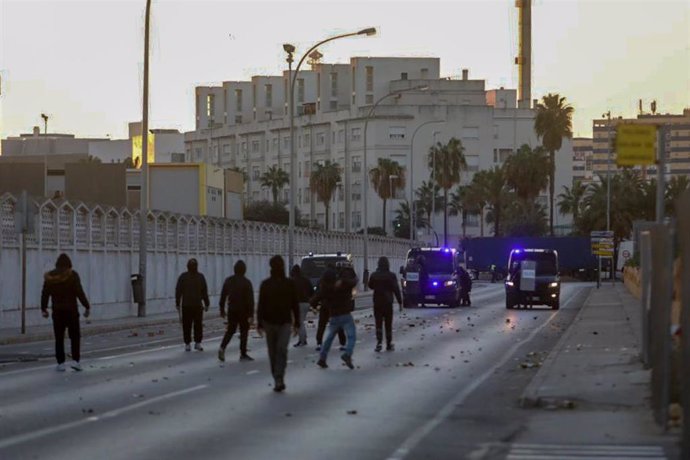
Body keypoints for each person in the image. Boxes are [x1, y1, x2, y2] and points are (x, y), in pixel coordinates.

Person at [41, 253, 91, 372]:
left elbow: (45, 294)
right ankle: (75, 361)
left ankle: (61, 363)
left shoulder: (50, 277)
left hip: (57, 311)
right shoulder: (72, 275)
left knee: (59, 338)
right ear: (69, 265)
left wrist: (44, 308)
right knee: (75, 336)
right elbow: (79, 292)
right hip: (71, 311)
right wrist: (87, 306)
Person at [257, 255, 300, 392]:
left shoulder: (289, 283)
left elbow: (294, 303)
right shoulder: (266, 284)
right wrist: (259, 322)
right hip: (270, 322)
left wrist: (297, 322)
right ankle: (277, 377)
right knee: (274, 352)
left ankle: (278, 377)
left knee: (280, 349)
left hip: (284, 322)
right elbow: (261, 304)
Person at [310, 262, 358, 369]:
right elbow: (354, 281)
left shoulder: (326, 288)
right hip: (345, 314)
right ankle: (347, 354)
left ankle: (322, 358)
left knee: (329, 337)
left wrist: (313, 305)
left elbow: (316, 298)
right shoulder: (341, 284)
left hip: (334, 315)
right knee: (352, 335)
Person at [218, 260, 254, 362]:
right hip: (243, 310)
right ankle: (243, 353)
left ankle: (222, 347)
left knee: (230, 330)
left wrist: (222, 309)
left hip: (232, 309)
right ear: (244, 270)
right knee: (244, 331)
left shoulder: (228, 280)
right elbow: (250, 300)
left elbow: (223, 296)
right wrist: (251, 314)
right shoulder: (247, 282)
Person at [368, 256, 402, 352]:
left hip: (377, 302)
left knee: (378, 323)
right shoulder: (391, 275)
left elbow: (370, 285)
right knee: (388, 324)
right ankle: (388, 343)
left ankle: (379, 343)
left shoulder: (374, 275)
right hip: (388, 302)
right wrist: (400, 302)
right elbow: (396, 289)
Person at [175, 258, 210, 352]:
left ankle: (187, 344)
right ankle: (197, 343)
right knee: (197, 325)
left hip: (187, 305)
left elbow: (178, 291)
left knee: (187, 325)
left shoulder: (183, 277)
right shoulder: (200, 277)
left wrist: (177, 303)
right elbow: (204, 292)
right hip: (197, 305)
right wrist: (207, 303)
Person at [315, 264, 346, 351]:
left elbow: (318, 295)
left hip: (325, 306)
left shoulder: (323, 284)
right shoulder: (337, 284)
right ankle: (343, 343)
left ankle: (319, 342)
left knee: (321, 325)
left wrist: (313, 303)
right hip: (335, 307)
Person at [290, 264, 313, 347]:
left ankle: (302, 340)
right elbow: (311, 291)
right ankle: (303, 338)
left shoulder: (292, 281)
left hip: (297, 303)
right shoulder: (306, 280)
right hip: (306, 303)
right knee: (300, 321)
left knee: (299, 322)